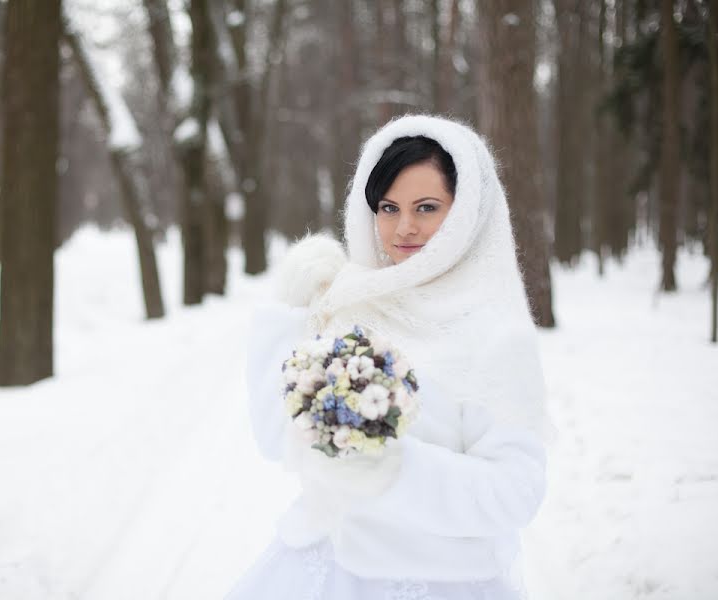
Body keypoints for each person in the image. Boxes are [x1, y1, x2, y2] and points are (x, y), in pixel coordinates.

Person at [226, 114, 559, 600]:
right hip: (325, 569)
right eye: (388, 207)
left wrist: (396, 468)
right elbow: (279, 441)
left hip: (440, 582)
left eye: (427, 207)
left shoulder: (495, 334)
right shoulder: (352, 304)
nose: (404, 228)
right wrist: (289, 314)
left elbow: (514, 494)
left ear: (467, 211)